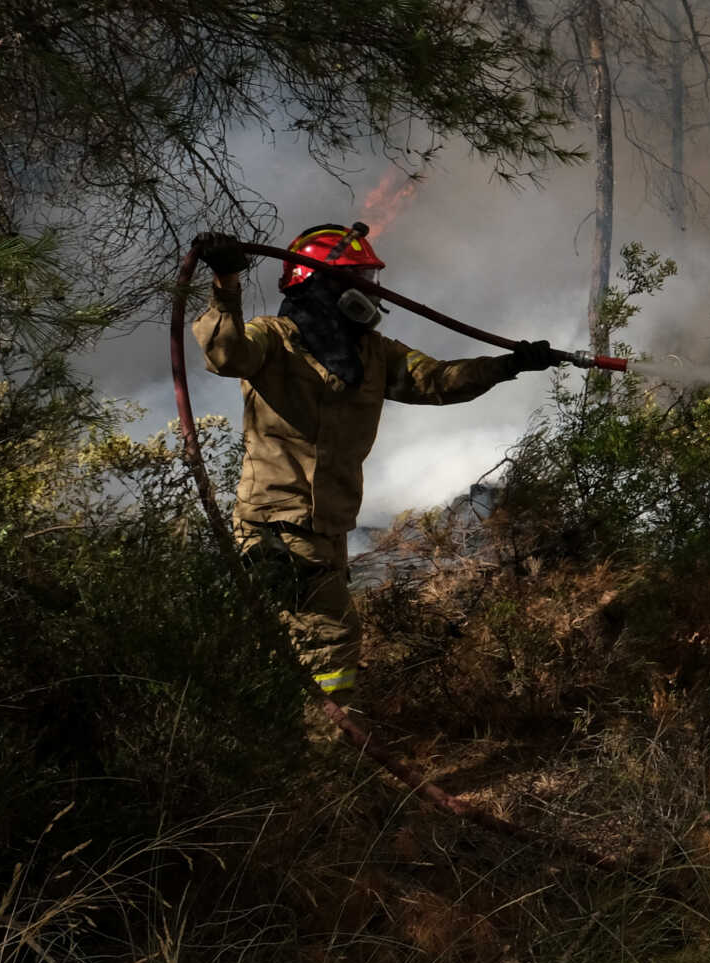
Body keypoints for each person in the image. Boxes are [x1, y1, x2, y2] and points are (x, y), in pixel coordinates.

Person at [190, 224, 559, 701]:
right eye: (359, 277)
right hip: (277, 527)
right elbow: (225, 353)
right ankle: (332, 751)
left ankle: (274, 741)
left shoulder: (372, 353)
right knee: (331, 641)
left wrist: (506, 366)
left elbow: (438, 381)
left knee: (292, 641)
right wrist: (226, 284)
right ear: (319, 281)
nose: (372, 290)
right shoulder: (274, 339)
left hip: (328, 527)